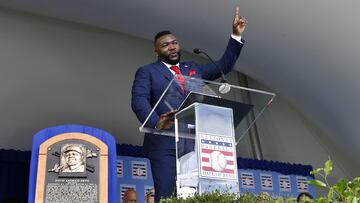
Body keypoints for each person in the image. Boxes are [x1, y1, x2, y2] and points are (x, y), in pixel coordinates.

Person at [131, 7, 247, 202]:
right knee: (167, 193)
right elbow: (138, 100)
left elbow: (224, 65)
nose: (172, 46)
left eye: (174, 42)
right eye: (165, 44)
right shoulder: (147, 71)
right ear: (156, 50)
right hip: (163, 142)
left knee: (194, 194)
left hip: (195, 143)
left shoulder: (192, 68)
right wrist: (155, 123)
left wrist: (235, 35)